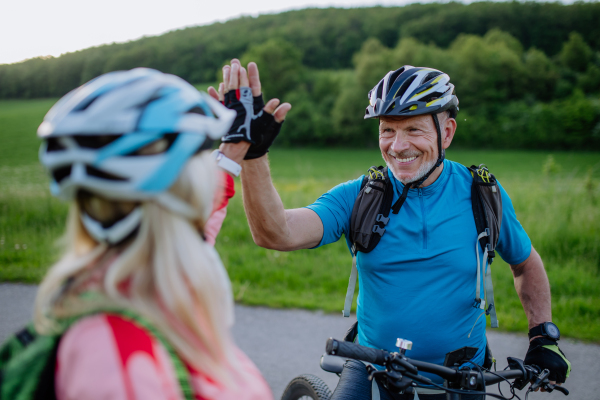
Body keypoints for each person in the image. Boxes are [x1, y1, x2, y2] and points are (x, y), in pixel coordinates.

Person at [235, 64, 571, 399]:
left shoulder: (482, 195)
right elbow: (277, 233)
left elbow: (526, 264)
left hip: (463, 376)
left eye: (413, 129)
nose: (397, 146)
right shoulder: (361, 196)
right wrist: (254, 154)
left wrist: (542, 336)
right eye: (387, 131)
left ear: (448, 133)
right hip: (372, 370)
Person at [34, 67, 274, 400]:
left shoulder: (153, 274)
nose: (209, 168)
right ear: (181, 190)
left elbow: (194, 226)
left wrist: (232, 152)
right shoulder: (117, 360)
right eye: (200, 158)